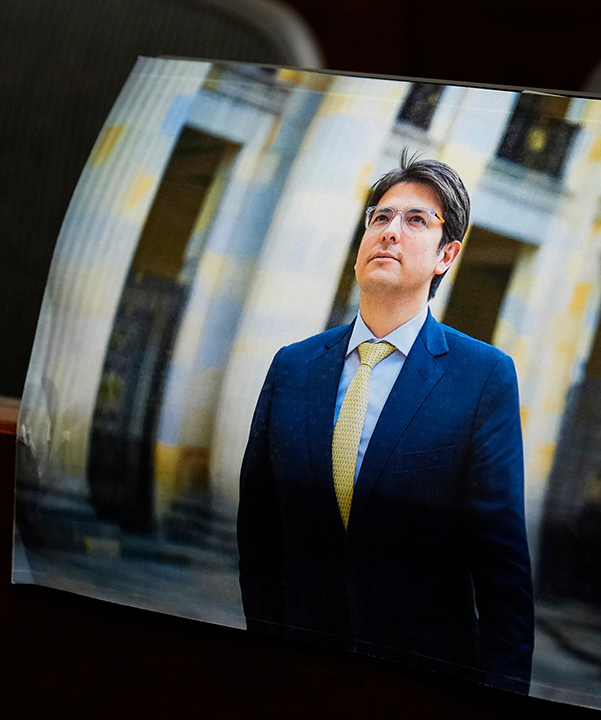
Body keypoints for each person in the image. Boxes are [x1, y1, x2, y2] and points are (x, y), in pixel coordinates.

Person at [236, 153, 534, 693]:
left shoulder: (483, 377)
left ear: (447, 255)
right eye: (380, 217)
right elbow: (259, 531)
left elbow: (502, 568)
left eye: (416, 220)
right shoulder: (293, 366)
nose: (390, 231)